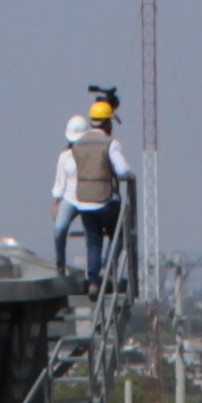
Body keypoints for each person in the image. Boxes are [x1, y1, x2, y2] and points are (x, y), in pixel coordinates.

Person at [51, 86, 132, 291]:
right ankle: (106, 268)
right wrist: (129, 176)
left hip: (84, 201)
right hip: (104, 200)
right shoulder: (109, 143)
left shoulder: (78, 146)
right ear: (107, 123)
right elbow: (122, 170)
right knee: (119, 235)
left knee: (93, 241)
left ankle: (94, 281)